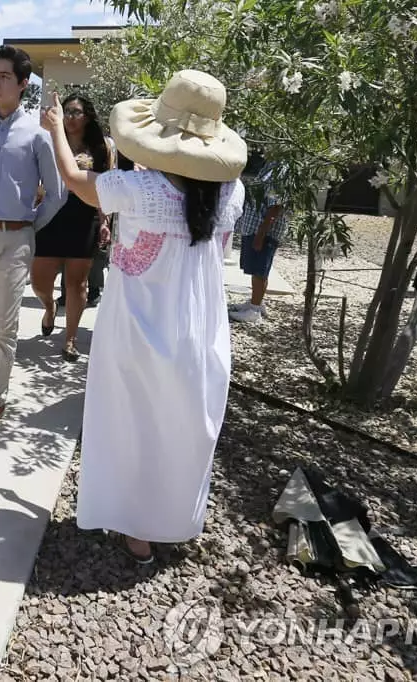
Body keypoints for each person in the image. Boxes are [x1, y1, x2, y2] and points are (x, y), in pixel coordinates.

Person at [40, 70, 246, 563]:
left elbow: (73, 181)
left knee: (132, 422)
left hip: (138, 325)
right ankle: (172, 517)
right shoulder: (231, 194)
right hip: (200, 328)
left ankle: (135, 526)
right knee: (185, 426)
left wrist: (53, 129)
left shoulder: (141, 190)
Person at [0, 46, 65, 429]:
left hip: (16, 239)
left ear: (23, 84)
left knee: (5, 325)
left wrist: (28, 227)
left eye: (4, 76)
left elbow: (56, 193)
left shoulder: (38, 134)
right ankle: (4, 361)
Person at [31, 94, 114, 362]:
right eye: (66, 111)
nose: (69, 116)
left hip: (83, 218)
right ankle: (49, 306)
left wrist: (105, 221)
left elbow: (106, 187)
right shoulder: (49, 140)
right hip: (50, 217)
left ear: (87, 116)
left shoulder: (102, 147)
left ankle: (70, 340)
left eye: (75, 112)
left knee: (77, 283)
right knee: (40, 280)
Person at [229, 160, 289, 324]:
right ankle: (256, 302)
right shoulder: (270, 166)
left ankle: (254, 311)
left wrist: (261, 234)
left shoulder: (281, 169)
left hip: (262, 230)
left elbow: (275, 206)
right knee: (257, 270)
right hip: (253, 227)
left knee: (259, 270)